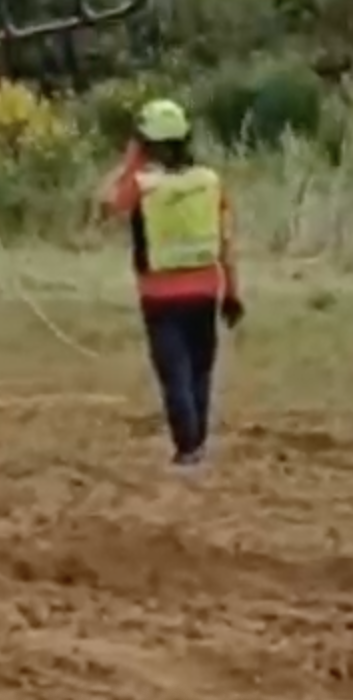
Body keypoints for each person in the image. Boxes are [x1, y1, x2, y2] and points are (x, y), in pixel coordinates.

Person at [105, 98, 241, 467]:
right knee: (200, 370)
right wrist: (232, 292)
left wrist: (130, 160)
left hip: (160, 296)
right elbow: (226, 242)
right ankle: (197, 443)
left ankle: (188, 447)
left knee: (174, 373)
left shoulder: (143, 186)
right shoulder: (209, 182)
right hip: (205, 290)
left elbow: (107, 204)